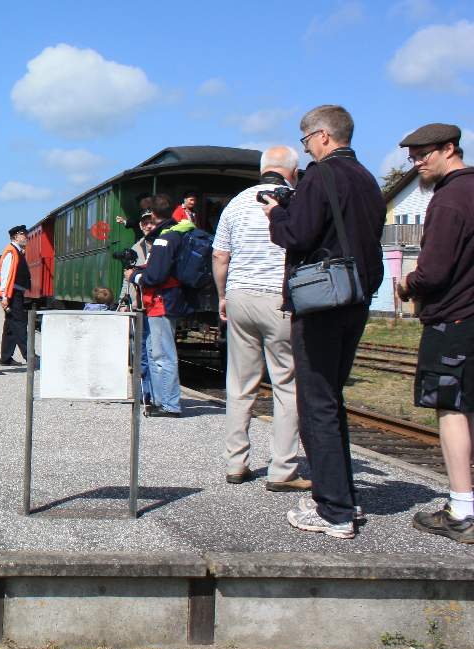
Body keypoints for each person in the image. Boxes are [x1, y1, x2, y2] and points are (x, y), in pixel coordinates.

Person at [263, 105, 385, 539]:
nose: (308, 148)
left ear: (323, 137)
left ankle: (333, 510)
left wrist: (276, 213)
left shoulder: (321, 175)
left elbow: (296, 234)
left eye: (307, 140)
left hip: (321, 301)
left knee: (316, 402)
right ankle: (342, 494)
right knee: (330, 398)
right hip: (355, 298)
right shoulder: (367, 179)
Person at [395, 124, 474, 544]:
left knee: (453, 410)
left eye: (424, 153)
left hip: (455, 320)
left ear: (449, 148)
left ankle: (461, 510)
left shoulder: (450, 199)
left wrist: (409, 282)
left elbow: (434, 270)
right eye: (412, 156)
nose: (418, 162)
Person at [213, 146, 307, 491]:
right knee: (287, 385)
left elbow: (221, 255)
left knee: (239, 383)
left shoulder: (236, 203)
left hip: (240, 296)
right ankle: (282, 469)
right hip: (280, 299)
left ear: (262, 170)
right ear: (292, 172)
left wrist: (223, 295)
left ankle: (236, 463)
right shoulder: (298, 199)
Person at [127, 211, 201, 417]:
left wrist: (135, 276)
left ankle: (169, 404)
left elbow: (156, 275)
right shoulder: (178, 235)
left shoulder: (166, 239)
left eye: (150, 221)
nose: (147, 226)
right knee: (154, 352)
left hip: (162, 303)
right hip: (160, 303)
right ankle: (162, 401)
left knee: (162, 355)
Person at [118, 212, 158, 405]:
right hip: (138, 305)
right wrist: (123, 302)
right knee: (140, 351)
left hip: (157, 305)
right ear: (141, 226)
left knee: (155, 351)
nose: (148, 226)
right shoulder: (136, 248)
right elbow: (126, 277)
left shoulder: (164, 245)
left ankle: (156, 394)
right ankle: (144, 393)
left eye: (151, 222)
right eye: (145, 223)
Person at [0, 225, 31, 366]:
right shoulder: (11, 252)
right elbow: (5, 275)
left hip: (15, 293)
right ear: (15, 236)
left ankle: (6, 358)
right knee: (20, 324)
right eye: (23, 234)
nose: (26, 236)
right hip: (12, 294)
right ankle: (30, 356)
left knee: (10, 326)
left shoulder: (17, 251)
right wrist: (4, 296)